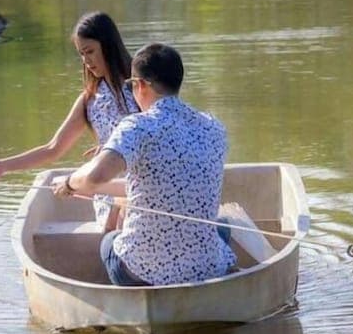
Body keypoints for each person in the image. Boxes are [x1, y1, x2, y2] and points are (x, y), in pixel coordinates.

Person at [52, 43, 235, 286]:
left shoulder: (136, 126)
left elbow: (95, 177)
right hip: (206, 270)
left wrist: (68, 183)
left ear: (140, 85)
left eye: (132, 85)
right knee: (223, 227)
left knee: (109, 242)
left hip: (142, 272)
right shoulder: (214, 127)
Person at [0, 11, 138, 229]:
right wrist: (3, 166)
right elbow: (53, 148)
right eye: (81, 54)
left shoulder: (139, 87)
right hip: (105, 184)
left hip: (141, 184)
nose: (86, 61)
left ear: (108, 46)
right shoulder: (90, 99)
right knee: (114, 222)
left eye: (90, 52)